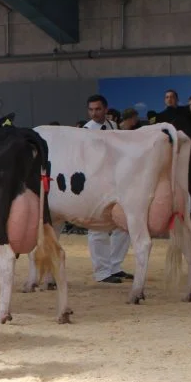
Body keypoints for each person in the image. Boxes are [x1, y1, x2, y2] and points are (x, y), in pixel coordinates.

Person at [82, 95, 131, 284]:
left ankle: (115, 266)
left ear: (105, 109)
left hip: (114, 182)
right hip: (93, 182)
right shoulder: (85, 131)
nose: (94, 113)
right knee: (97, 228)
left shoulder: (114, 127)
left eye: (98, 109)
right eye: (91, 110)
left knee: (123, 225)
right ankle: (101, 272)